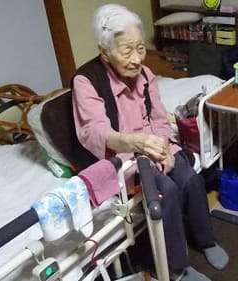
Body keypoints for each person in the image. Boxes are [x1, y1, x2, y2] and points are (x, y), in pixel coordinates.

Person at [71, 4, 228, 281]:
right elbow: (94, 131)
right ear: (105, 51)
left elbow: (157, 116)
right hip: (123, 154)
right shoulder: (86, 80)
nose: (136, 59)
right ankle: (177, 269)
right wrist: (138, 143)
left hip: (155, 144)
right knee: (165, 191)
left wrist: (165, 146)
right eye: (126, 50)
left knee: (190, 178)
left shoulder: (145, 75)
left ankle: (207, 240)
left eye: (140, 48)